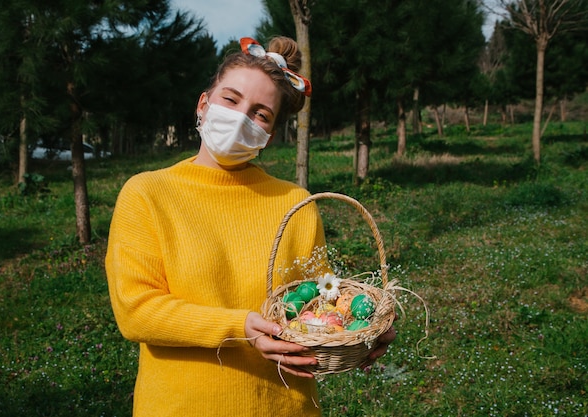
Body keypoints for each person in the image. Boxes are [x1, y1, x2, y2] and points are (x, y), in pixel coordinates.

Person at [105, 36, 396, 417]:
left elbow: (321, 304)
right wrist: (240, 327)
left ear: (269, 136)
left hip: (284, 406)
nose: (242, 117)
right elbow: (136, 310)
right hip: (182, 406)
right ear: (203, 103)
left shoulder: (295, 203)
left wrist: (363, 329)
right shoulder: (148, 194)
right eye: (231, 99)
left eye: (261, 114)